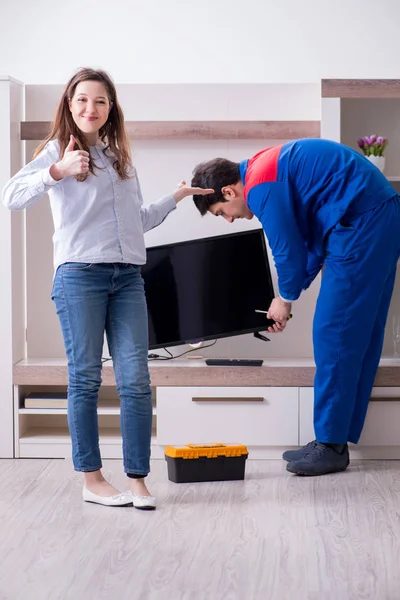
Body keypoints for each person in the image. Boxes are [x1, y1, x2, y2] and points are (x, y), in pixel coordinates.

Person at [2, 68, 212, 508]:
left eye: (99, 101)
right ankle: (92, 479)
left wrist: (173, 199)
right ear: (69, 103)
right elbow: (12, 196)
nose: (89, 108)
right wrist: (56, 171)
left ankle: (137, 478)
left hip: (128, 278)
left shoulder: (120, 160)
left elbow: (137, 223)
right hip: (80, 276)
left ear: (111, 108)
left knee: (136, 379)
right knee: (85, 378)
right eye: (81, 100)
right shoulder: (58, 151)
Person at [191, 138, 400, 476]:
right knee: (359, 333)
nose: (228, 220)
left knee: (335, 332)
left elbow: (287, 252)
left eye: (220, 214)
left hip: (363, 221)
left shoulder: (260, 187)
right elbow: (309, 247)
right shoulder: (264, 170)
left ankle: (332, 445)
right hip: (372, 217)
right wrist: (286, 299)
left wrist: (284, 299)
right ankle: (334, 439)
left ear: (228, 192)